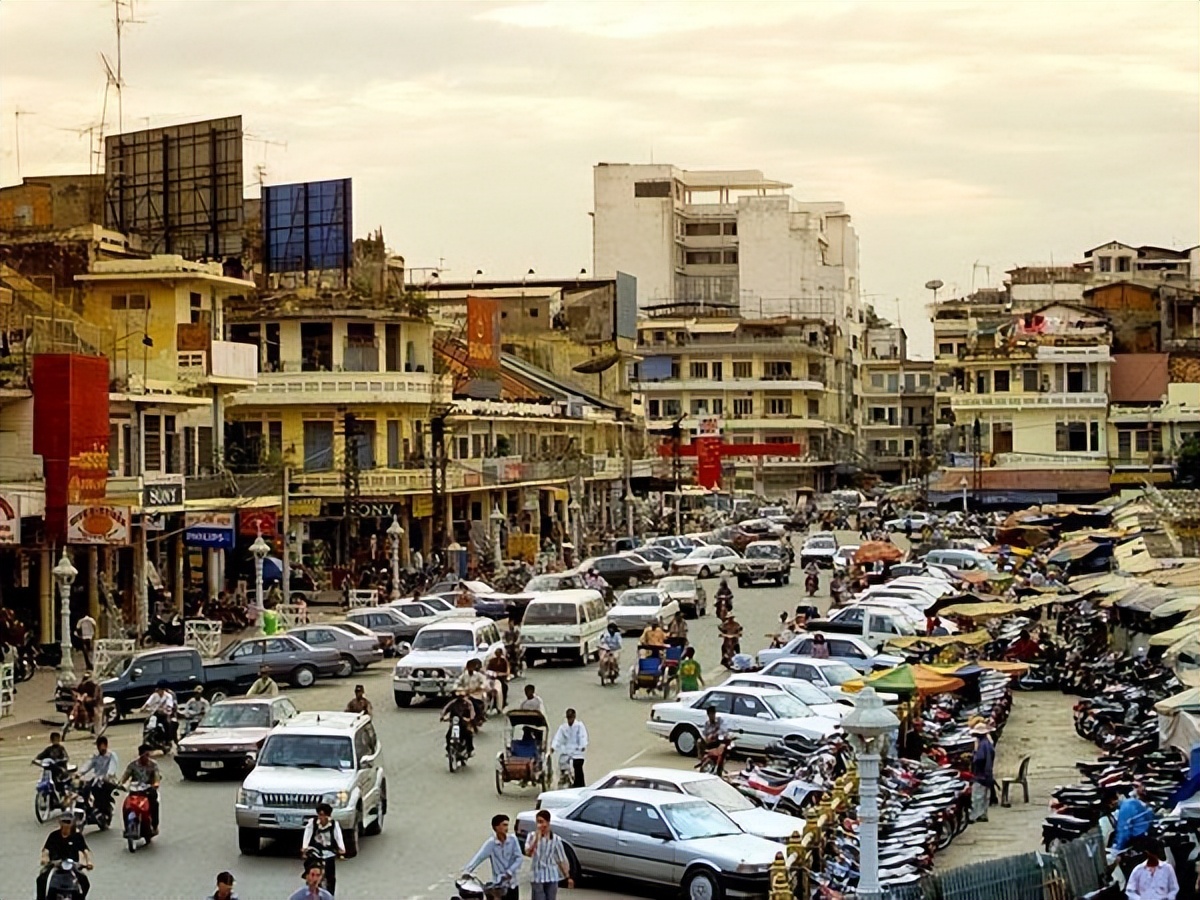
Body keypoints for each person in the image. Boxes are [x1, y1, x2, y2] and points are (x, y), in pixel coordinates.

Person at [463, 814, 524, 900]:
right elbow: (479, 858)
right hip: (498, 885)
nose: (507, 828)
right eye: (504, 825)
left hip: (512, 883)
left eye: (507, 825)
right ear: (496, 827)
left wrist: (510, 871)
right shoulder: (491, 843)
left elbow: (519, 858)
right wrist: (467, 871)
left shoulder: (513, 840)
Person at [36, 813, 92, 900]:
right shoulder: (53, 836)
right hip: (54, 866)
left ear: (72, 823)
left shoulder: (77, 836)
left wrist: (88, 862)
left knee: (85, 882)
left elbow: (85, 850)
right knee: (41, 879)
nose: (66, 824)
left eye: (68, 822)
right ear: (60, 822)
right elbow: (46, 850)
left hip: (72, 866)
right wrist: (44, 858)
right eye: (64, 821)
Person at [524, 808, 574, 899]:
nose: (539, 825)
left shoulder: (556, 839)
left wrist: (568, 876)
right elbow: (528, 853)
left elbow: (561, 859)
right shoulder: (531, 836)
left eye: (541, 822)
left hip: (551, 875)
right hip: (537, 876)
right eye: (538, 822)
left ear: (547, 822)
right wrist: (536, 840)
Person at [301, 802, 346, 895]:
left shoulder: (334, 824)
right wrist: (304, 847)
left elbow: (338, 837)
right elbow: (307, 834)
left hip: (329, 851)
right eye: (320, 815)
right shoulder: (312, 823)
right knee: (311, 867)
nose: (322, 818)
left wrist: (341, 848)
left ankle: (330, 894)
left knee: (330, 875)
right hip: (315, 850)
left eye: (324, 815)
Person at [120, 743, 162, 832]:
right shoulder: (133, 765)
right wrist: (120, 784)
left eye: (148, 755)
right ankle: (127, 826)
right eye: (146, 755)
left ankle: (154, 825)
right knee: (126, 805)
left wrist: (156, 783)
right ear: (141, 755)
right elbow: (125, 776)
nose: (147, 757)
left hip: (148, 790)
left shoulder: (153, 765)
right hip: (135, 790)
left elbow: (157, 776)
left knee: (154, 803)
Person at [77, 735, 119, 819]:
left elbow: (112, 768)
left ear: (106, 745)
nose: (101, 748)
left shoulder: (111, 755)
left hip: (108, 780)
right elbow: (88, 764)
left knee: (100, 791)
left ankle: (104, 809)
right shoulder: (96, 756)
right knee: (85, 788)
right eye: (99, 746)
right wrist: (79, 773)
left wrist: (108, 775)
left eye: (103, 745)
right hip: (97, 778)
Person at [1114, 782, 1156, 851]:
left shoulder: (1127, 805)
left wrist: (1117, 850)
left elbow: (1123, 831)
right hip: (1149, 841)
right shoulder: (1142, 805)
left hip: (1138, 844)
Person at [552, 708, 588, 788]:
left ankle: (579, 785)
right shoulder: (563, 727)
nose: (570, 719)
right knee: (562, 763)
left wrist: (582, 745)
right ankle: (564, 779)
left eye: (571, 717)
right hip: (567, 750)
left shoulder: (579, 726)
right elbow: (558, 738)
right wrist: (553, 747)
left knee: (578, 766)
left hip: (577, 750)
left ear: (574, 717)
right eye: (568, 718)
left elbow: (583, 736)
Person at [969, 722, 995, 822]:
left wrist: (974, 754)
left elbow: (979, 759)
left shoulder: (982, 745)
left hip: (981, 774)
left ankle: (975, 815)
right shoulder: (988, 743)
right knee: (985, 796)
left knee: (977, 796)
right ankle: (983, 814)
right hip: (987, 774)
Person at [140, 679, 179, 746]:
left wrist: (165, 710)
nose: (158, 690)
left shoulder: (168, 696)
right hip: (155, 714)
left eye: (160, 689)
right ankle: (145, 741)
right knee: (146, 722)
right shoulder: (154, 695)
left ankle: (167, 741)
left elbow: (170, 706)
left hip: (165, 715)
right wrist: (143, 708)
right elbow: (148, 703)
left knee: (168, 725)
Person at [441, 690, 477, 756]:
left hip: (464, 722)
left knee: (468, 734)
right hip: (454, 722)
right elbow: (445, 709)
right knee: (448, 735)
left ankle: (469, 750)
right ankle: (448, 749)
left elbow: (472, 711)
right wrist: (442, 716)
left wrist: (470, 718)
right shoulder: (453, 703)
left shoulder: (468, 703)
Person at [455, 658, 490, 725]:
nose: (470, 668)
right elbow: (457, 682)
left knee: (473, 702)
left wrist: (479, 687)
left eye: (472, 667)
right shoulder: (464, 675)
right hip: (465, 693)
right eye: (469, 667)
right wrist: (457, 688)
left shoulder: (478, 675)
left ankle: (480, 716)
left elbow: (484, 683)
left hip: (476, 693)